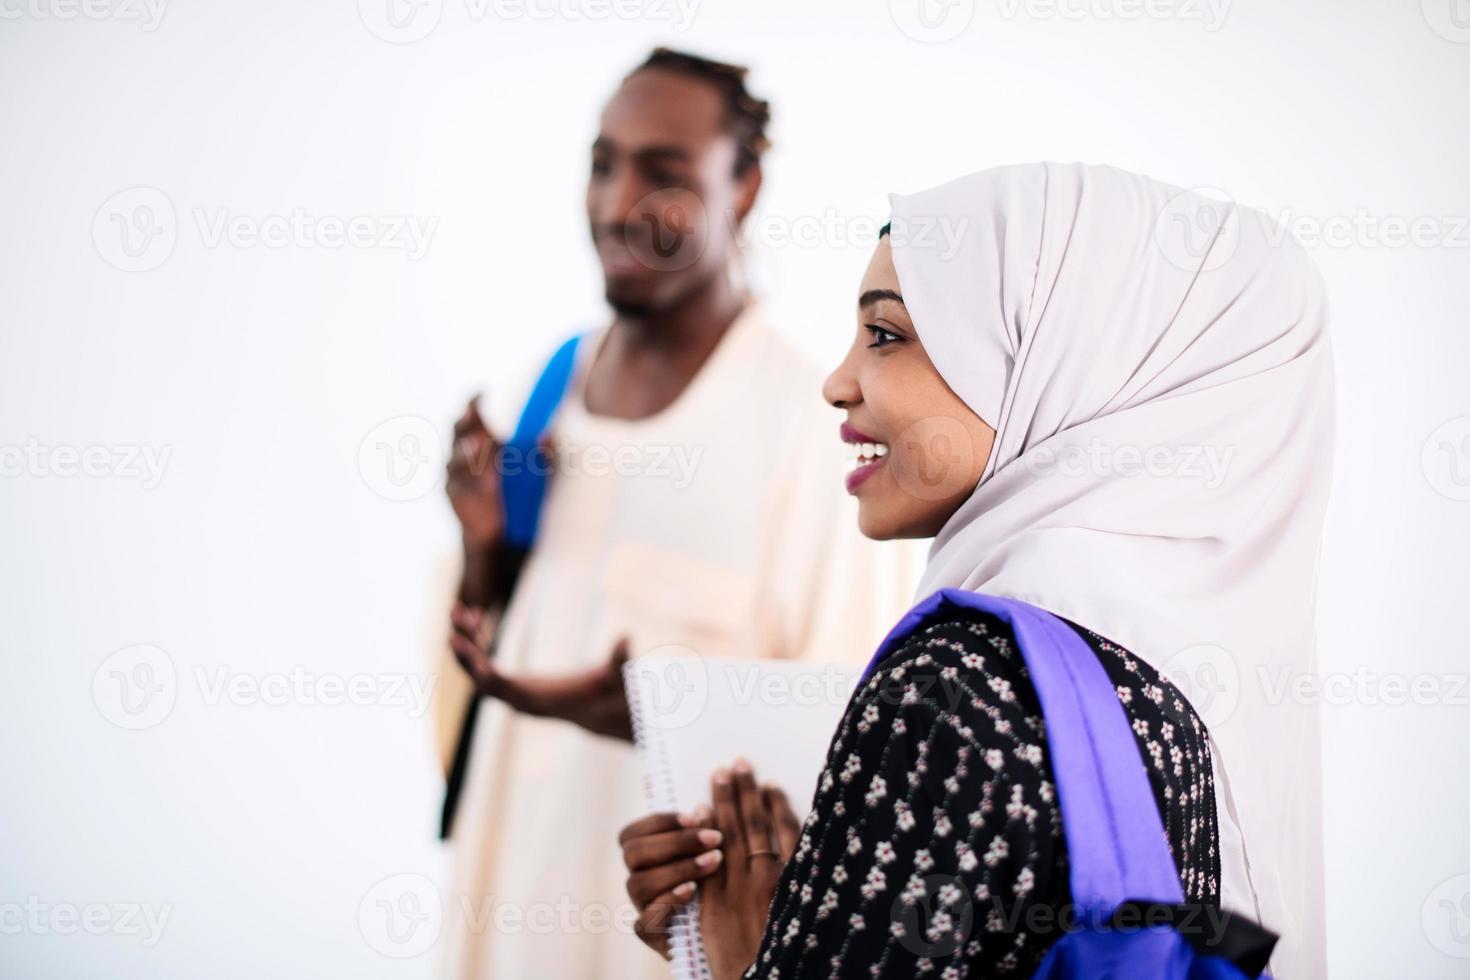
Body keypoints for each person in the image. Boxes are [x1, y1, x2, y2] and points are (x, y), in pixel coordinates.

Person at [620, 162, 1333, 978]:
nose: (836, 381)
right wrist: (825, 900)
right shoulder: (1178, 709)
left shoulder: (952, 684)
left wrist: (743, 947)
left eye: (885, 334)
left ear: (1057, 361)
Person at [432, 49, 910, 979]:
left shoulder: (808, 420)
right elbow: (493, 637)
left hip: (658, 942)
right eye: (603, 164)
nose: (617, 206)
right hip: (509, 895)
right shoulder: (555, 382)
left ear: (746, 186)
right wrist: (482, 547)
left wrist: (659, 715)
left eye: (665, 174)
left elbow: (846, 738)